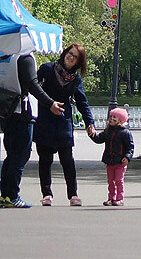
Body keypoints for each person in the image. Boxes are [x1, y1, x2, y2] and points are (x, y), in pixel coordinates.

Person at [33, 43, 96, 206]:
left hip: (63, 121)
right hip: (45, 119)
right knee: (45, 159)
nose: (71, 57)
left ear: (78, 62)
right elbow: (34, 90)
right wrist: (49, 105)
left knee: (67, 159)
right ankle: (46, 194)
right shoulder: (47, 69)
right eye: (69, 53)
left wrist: (90, 122)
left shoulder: (75, 79)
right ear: (64, 53)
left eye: (75, 57)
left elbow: (82, 101)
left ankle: (73, 195)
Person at [0, 49, 59, 208]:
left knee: (11, 155)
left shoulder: (5, 56)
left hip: (7, 110)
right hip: (23, 111)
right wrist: (50, 102)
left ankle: (5, 194)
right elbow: (32, 84)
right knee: (20, 155)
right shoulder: (25, 57)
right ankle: (12, 195)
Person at [89, 107, 134, 205]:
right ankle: (111, 198)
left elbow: (130, 147)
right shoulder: (108, 131)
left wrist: (127, 157)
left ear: (120, 120)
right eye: (111, 117)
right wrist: (91, 134)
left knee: (118, 180)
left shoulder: (125, 132)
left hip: (120, 161)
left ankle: (119, 198)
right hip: (109, 160)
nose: (112, 119)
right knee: (110, 181)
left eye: (115, 117)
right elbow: (98, 139)